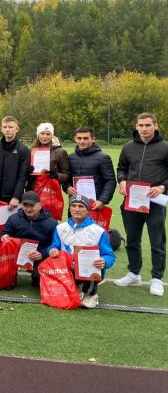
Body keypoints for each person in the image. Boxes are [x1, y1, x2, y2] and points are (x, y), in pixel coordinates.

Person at [114, 113, 168, 297]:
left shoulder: (165, 147)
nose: (144, 129)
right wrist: (121, 181)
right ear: (136, 126)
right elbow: (121, 168)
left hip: (155, 203)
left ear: (155, 126)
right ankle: (134, 273)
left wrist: (162, 187)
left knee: (157, 241)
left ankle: (157, 278)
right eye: (141, 125)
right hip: (132, 201)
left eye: (147, 125)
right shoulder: (129, 147)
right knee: (132, 239)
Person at [48, 194, 116, 308]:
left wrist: (104, 261)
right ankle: (75, 288)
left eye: (81, 206)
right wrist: (52, 250)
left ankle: (91, 295)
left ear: (88, 210)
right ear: (70, 209)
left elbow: (109, 255)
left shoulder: (99, 231)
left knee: (91, 264)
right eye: (73, 206)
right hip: (66, 268)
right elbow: (54, 245)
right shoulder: (60, 228)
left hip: (88, 270)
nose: (77, 209)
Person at [0, 191, 58, 286]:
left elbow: (54, 245)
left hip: (37, 255)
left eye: (32, 205)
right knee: (5, 280)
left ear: (39, 205)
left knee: (38, 280)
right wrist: (5, 236)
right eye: (25, 205)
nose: (28, 209)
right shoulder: (14, 219)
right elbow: (4, 233)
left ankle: (35, 272)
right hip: (16, 255)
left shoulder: (51, 223)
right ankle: (10, 272)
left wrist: (42, 254)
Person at [64, 126, 117, 212]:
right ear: (75, 139)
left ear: (93, 139)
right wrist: (67, 187)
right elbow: (66, 179)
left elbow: (110, 181)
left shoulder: (103, 158)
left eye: (85, 138)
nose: (82, 141)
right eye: (79, 138)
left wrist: (102, 200)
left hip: (94, 205)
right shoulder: (70, 157)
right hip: (75, 205)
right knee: (74, 225)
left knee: (93, 226)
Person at [0, 116, 30, 210]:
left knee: (13, 224)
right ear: (1, 129)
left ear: (17, 129)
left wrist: (16, 196)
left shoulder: (23, 150)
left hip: (13, 198)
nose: (7, 130)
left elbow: (22, 176)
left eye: (10, 127)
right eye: (5, 127)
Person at [27, 122, 70, 190]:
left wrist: (56, 175)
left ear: (52, 135)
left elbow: (66, 176)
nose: (45, 137)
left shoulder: (60, 152)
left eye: (48, 134)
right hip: (32, 190)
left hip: (51, 191)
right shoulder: (30, 151)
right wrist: (27, 172)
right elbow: (22, 175)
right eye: (42, 133)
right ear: (38, 135)